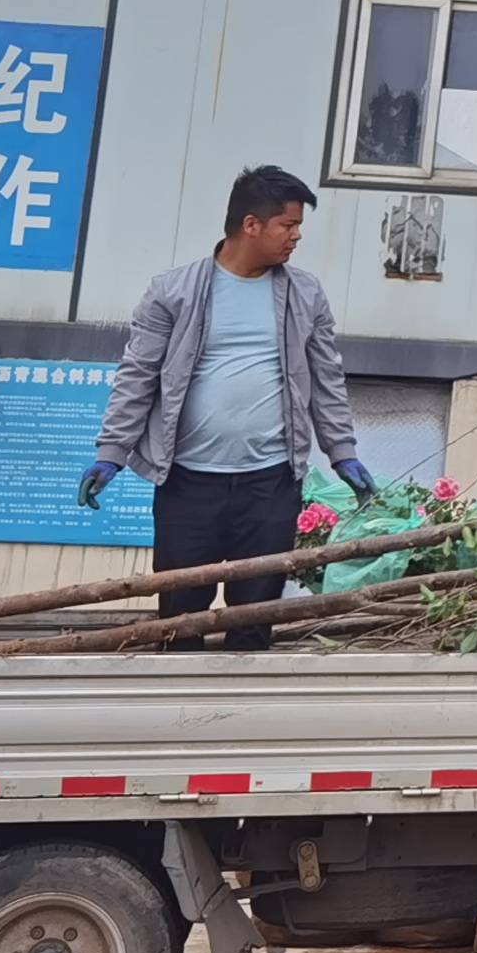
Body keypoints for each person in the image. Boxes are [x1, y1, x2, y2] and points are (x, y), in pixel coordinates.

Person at [81, 166, 378, 652]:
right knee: (180, 621)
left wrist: (342, 451)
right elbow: (138, 376)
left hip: (270, 483)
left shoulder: (305, 295)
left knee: (254, 621)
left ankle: (243, 701)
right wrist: (111, 453)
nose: (296, 236)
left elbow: (327, 380)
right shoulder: (173, 291)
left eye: (298, 226)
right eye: (288, 225)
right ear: (251, 225)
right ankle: (177, 698)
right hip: (187, 484)